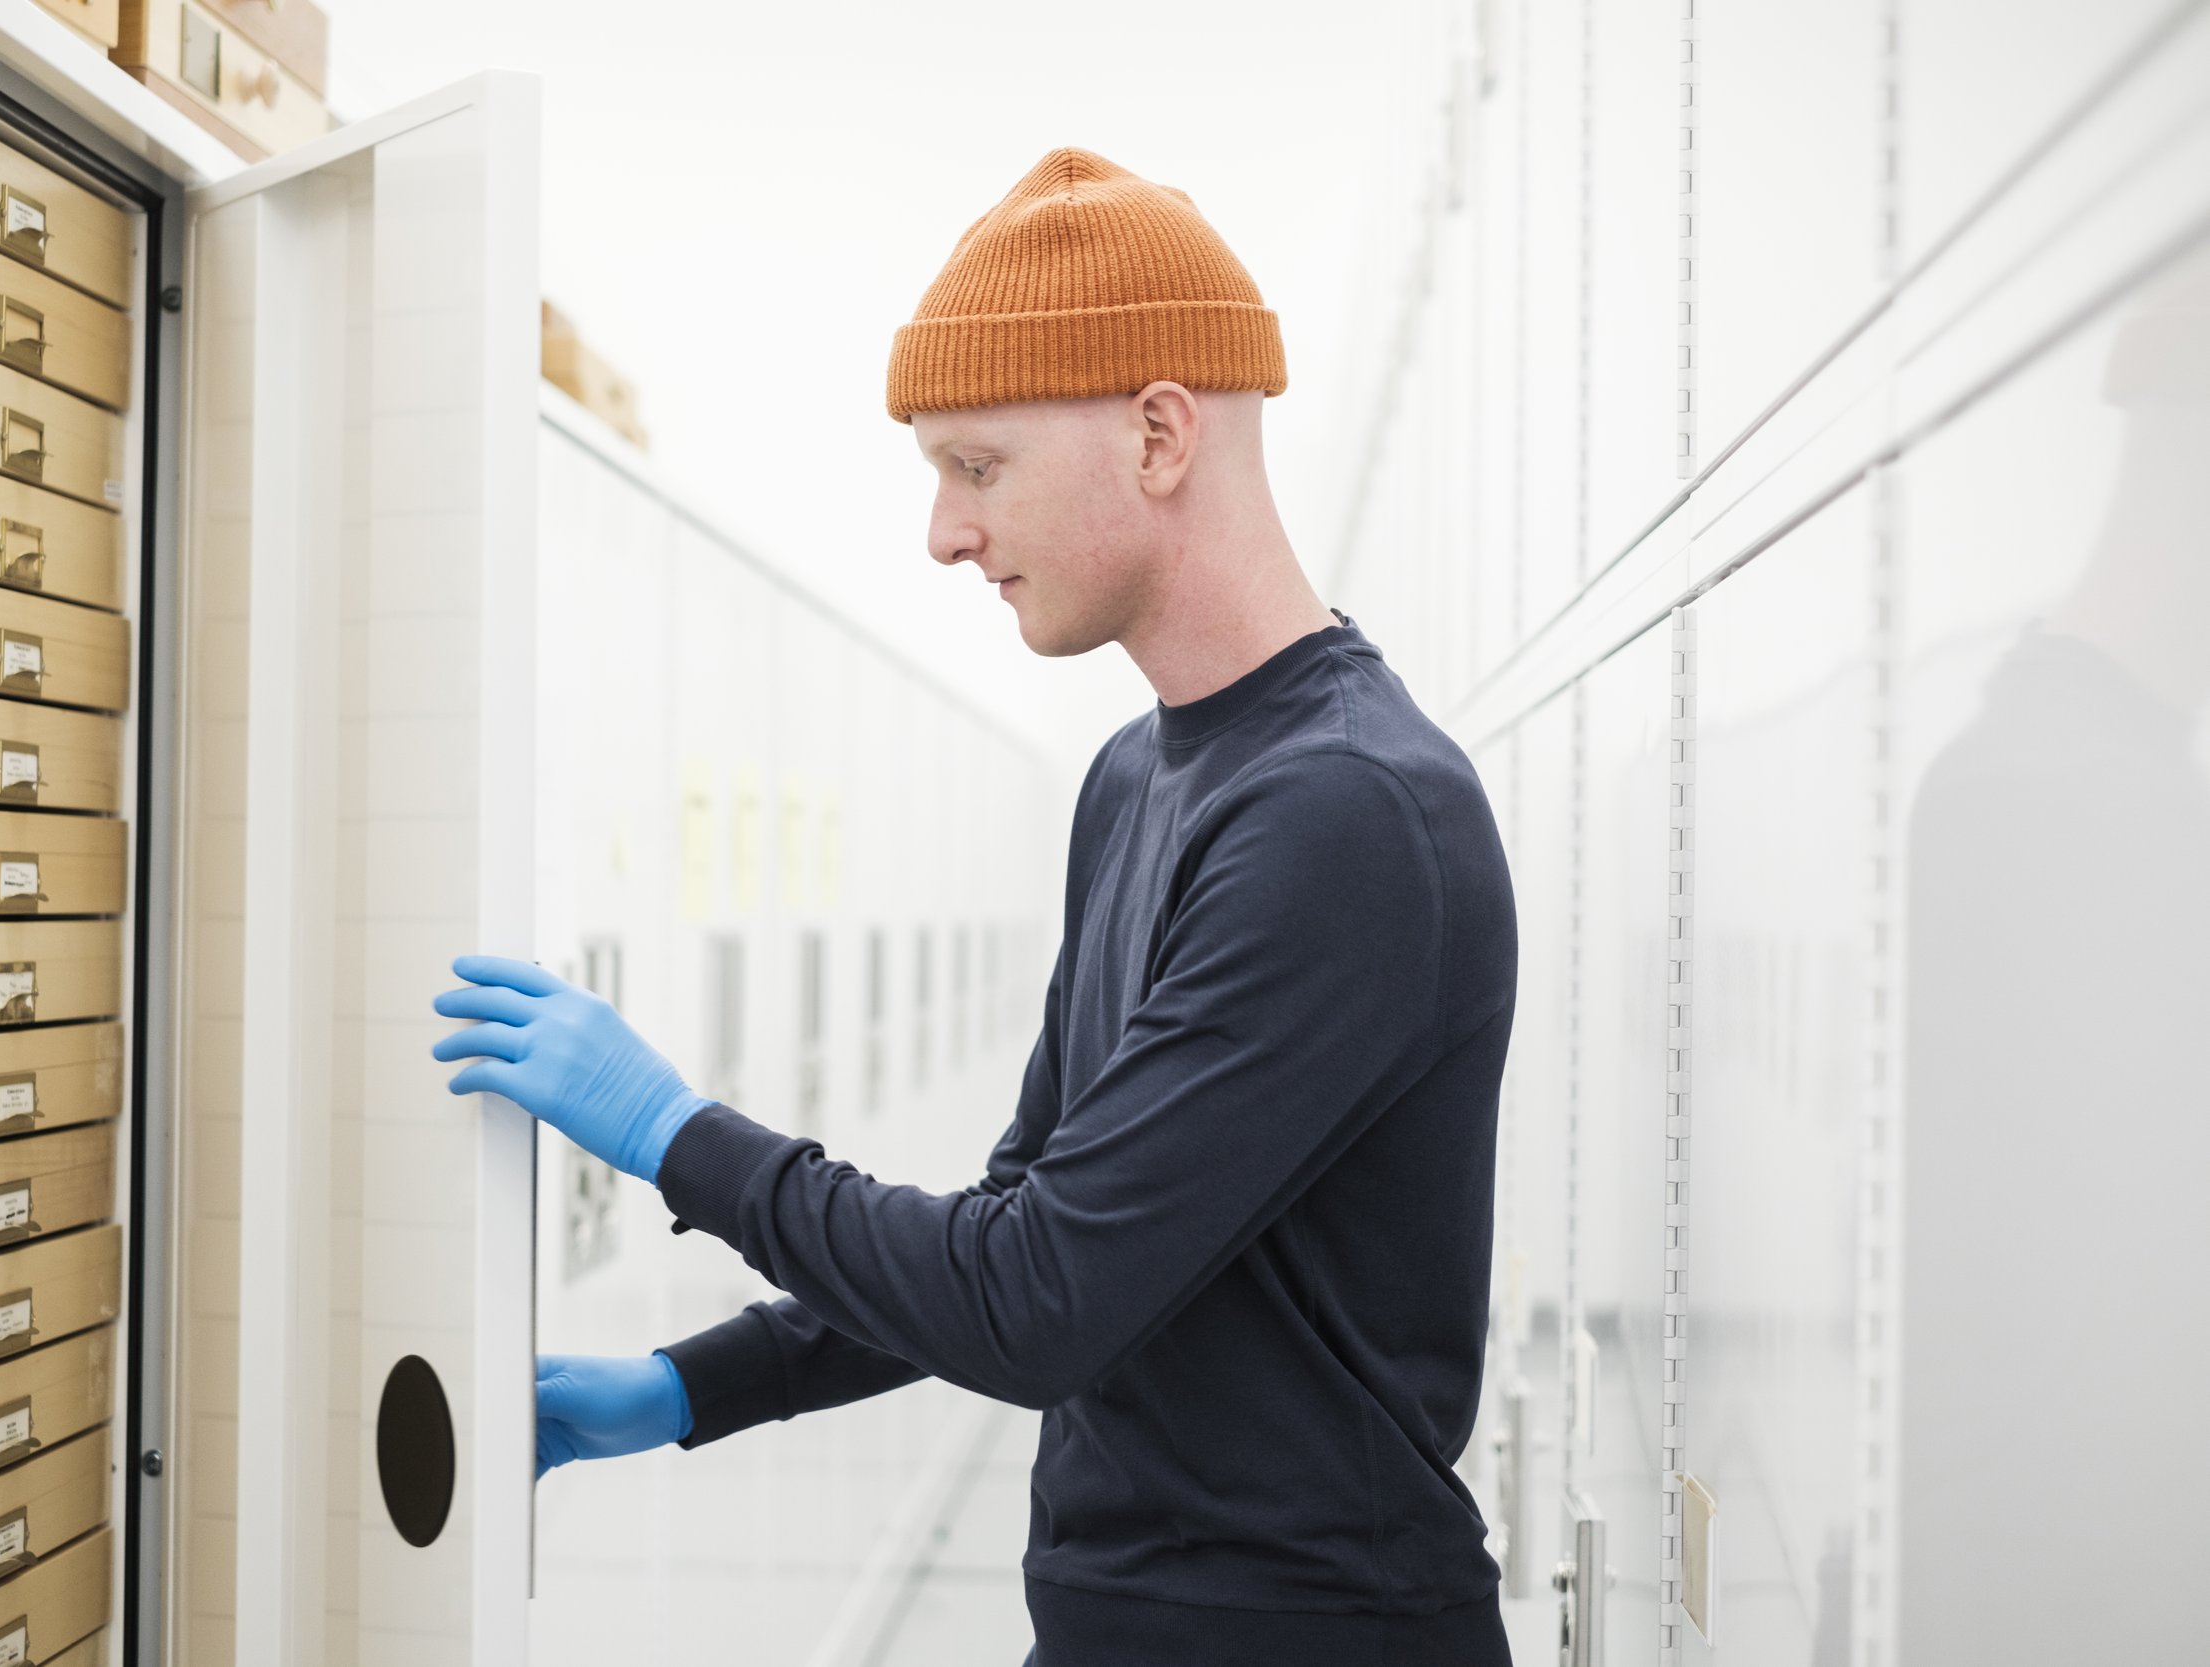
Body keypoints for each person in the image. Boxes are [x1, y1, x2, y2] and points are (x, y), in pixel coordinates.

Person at [433, 147, 1519, 1666]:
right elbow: (1033, 1224)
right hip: (1117, 1620)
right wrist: (696, 1388)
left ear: (1157, 436)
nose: (945, 532)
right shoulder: (1140, 779)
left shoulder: (1348, 814)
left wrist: (673, 1133)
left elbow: (1037, 1304)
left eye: (977, 466)